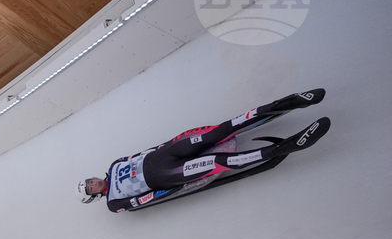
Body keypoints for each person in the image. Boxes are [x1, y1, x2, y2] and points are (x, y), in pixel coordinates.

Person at [78, 89, 330, 212]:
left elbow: (144, 152)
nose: (93, 183)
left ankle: (287, 102)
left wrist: (174, 141)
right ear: (93, 195)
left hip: (164, 154)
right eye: (90, 187)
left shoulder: (114, 165)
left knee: (219, 131)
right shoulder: (113, 203)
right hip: (166, 174)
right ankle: (282, 148)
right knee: (219, 162)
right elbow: (142, 200)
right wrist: (177, 186)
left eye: (89, 180)